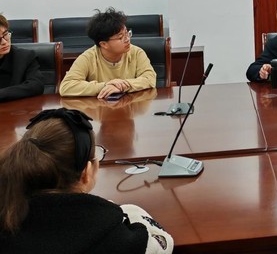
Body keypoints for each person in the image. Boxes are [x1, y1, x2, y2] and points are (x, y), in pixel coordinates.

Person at [0, 107, 173, 253]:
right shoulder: (113, 236)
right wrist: (128, 211)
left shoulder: (7, 216)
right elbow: (162, 243)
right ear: (86, 173)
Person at [60, 8, 156, 98]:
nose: (127, 39)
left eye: (127, 33)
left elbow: (150, 78)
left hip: (131, 105)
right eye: (120, 37)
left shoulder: (136, 52)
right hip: (99, 107)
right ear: (104, 44)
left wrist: (123, 86)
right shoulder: (88, 57)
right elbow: (66, 87)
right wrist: (105, 86)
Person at [0, 14, 44, 102]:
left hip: (16, 108)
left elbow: (36, 85)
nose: (4, 42)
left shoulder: (25, 57)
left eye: (5, 35)